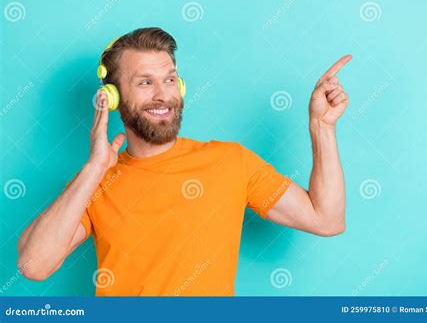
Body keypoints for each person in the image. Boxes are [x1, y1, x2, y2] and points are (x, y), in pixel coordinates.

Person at [17, 27, 351, 296]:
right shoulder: (96, 179)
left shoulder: (230, 161)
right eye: (145, 82)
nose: (162, 94)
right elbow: (34, 265)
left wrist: (322, 127)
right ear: (113, 97)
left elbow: (327, 219)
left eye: (169, 79)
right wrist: (92, 170)